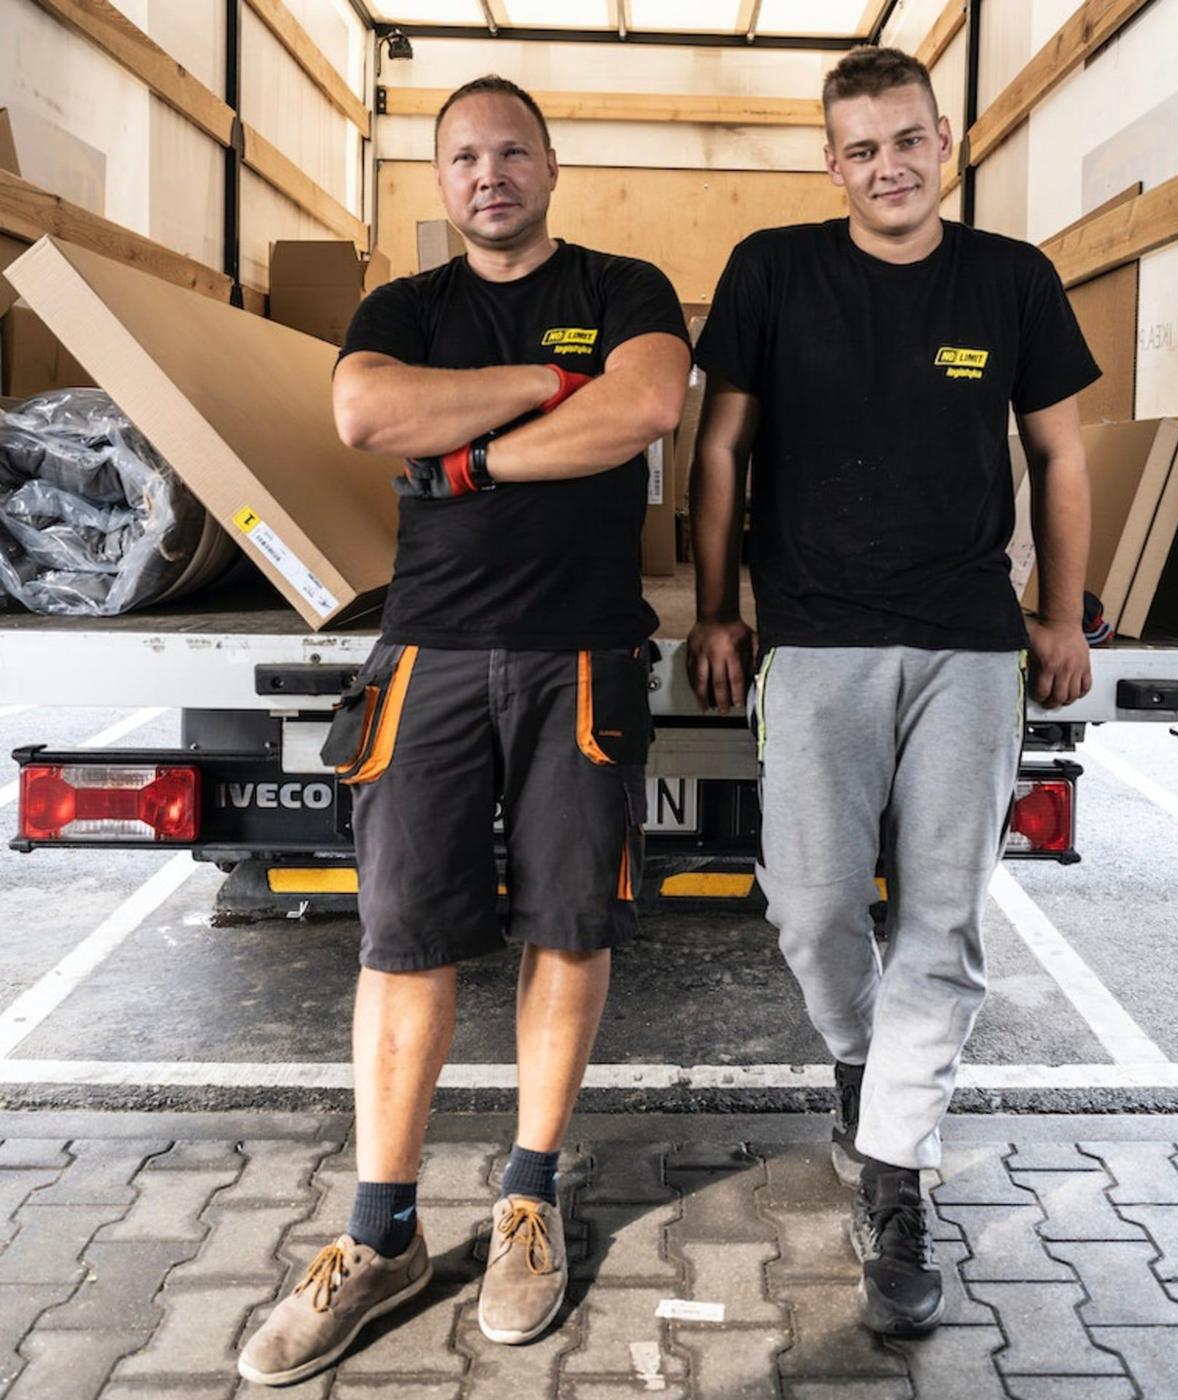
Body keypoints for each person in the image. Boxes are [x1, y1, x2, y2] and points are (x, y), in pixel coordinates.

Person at [238, 74, 689, 1385]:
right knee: (404, 936)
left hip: (582, 656)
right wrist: (546, 387)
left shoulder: (628, 289)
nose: (489, 174)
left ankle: (528, 1201)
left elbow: (647, 408)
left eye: (511, 152)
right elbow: (368, 413)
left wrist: (477, 452)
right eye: (464, 160)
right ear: (443, 185)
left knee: (569, 923)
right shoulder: (402, 310)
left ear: (551, 164)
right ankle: (380, 1237)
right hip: (428, 653)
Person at [686, 45, 1098, 1337]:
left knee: (943, 922)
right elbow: (718, 448)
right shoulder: (773, 271)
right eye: (861, 148)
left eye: (908, 140)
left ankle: (898, 1178)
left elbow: (1060, 453)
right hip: (812, 639)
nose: (889, 167)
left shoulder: (1011, 280)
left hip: (972, 646)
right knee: (810, 913)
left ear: (946, 142)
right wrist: (714, 608)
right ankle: (869, 1071)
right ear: (832, 162)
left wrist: (1057, 611)